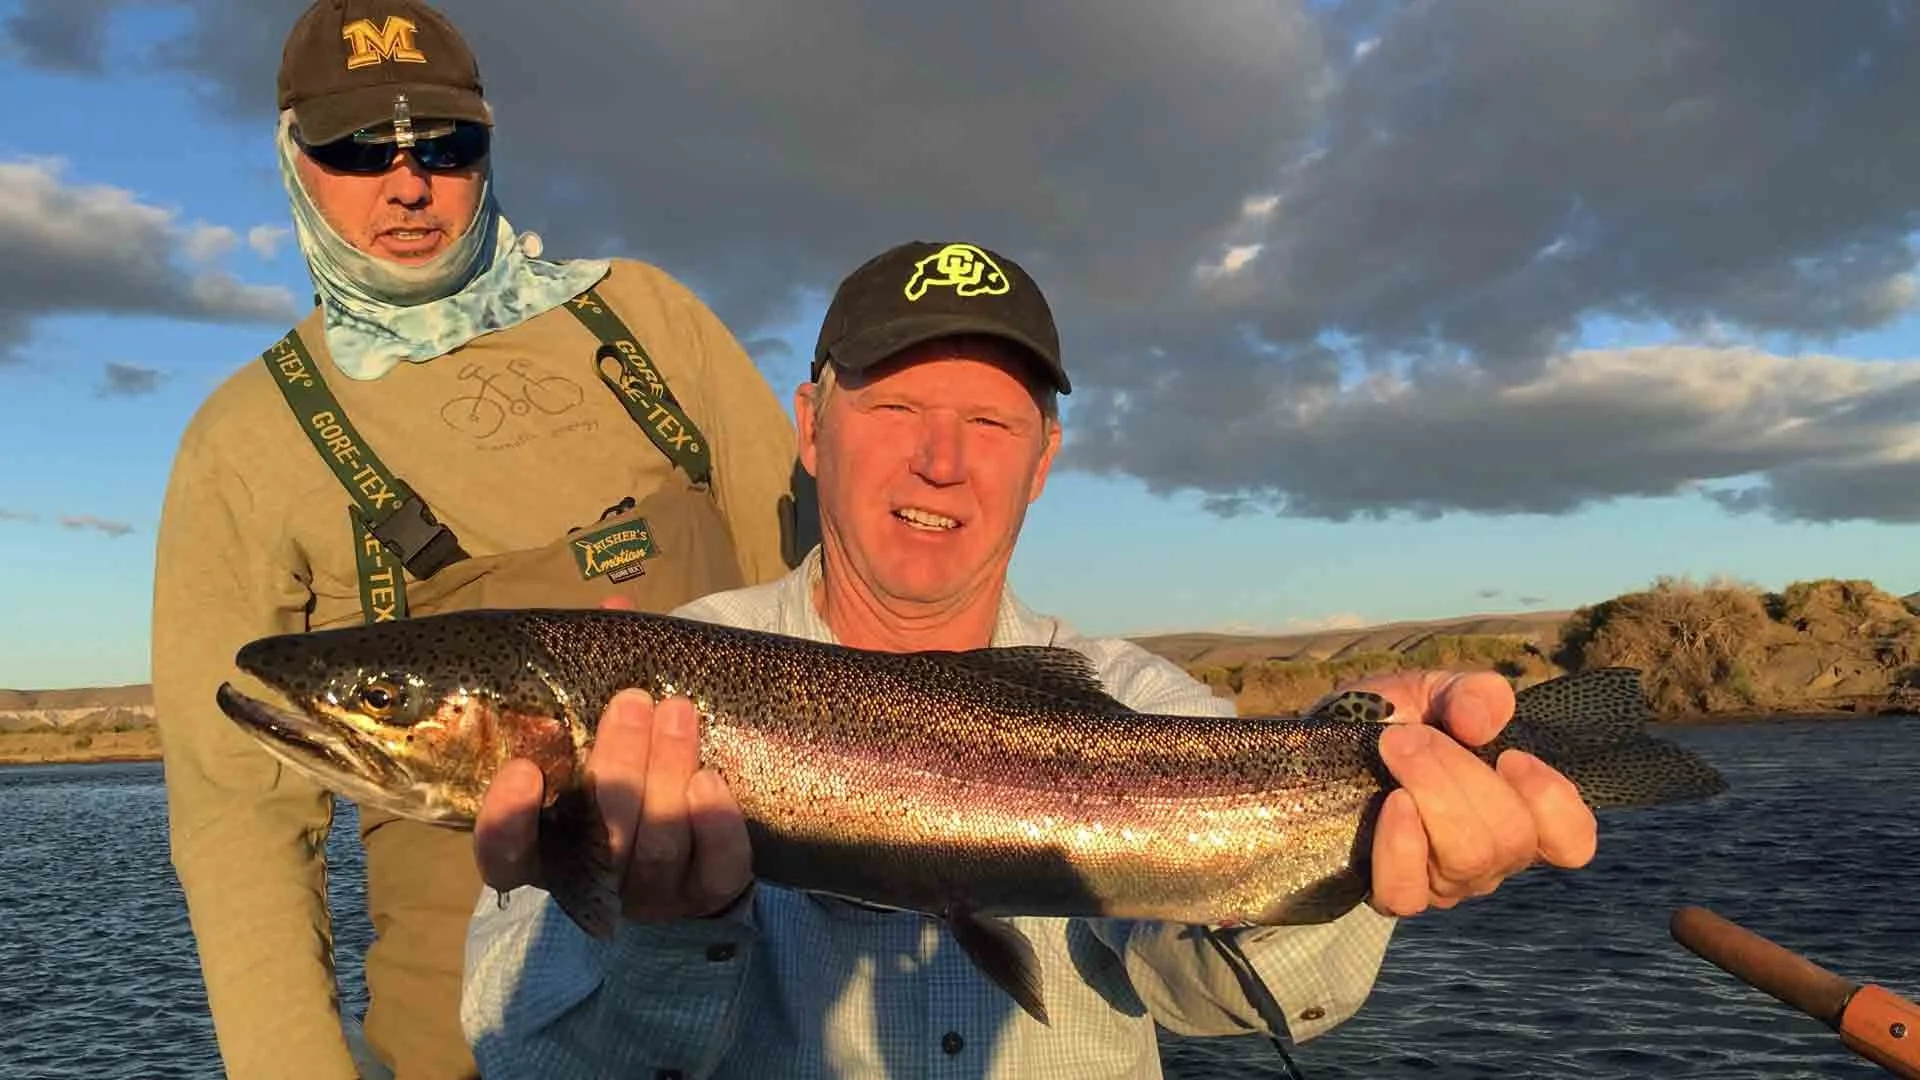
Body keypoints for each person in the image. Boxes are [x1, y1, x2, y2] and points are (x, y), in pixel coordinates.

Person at [456, 240, 1601, 1078]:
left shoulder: (1147, 706)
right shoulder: (643, 705)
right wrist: (665, 940)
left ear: (1045, 460)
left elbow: (1213, 992)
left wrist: (1369, 807)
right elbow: (529, 1059)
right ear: (811, 427)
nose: (941, 462)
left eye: (992, 424)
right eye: (898, 406)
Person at [149, 1, 807, 1077]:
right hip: (476, 1035)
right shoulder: (247, 440)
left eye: (445, 146)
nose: (408, 184)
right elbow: (239, 826)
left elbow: (818, 610)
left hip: (766, 987)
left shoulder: (646, 319)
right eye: (358, 148)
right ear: (292, 160)